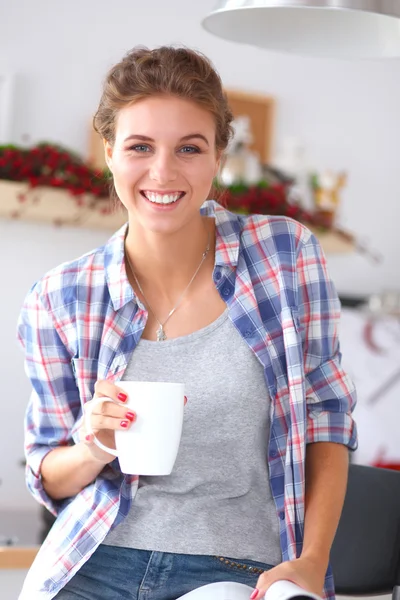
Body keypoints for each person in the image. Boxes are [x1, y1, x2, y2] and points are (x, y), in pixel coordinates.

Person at [17, 46, 357, 600]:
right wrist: (95, 446)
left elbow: (327, 419)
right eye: (140, 147)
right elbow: (48, 473)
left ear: (218, 155)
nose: (163, 172)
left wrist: (313, 561)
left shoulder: (285, 255)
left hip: (237, 568)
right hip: (93, 560)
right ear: (109, 152)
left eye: (189, 148)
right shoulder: (60, 296)